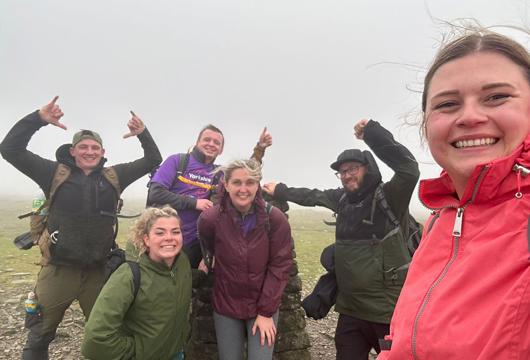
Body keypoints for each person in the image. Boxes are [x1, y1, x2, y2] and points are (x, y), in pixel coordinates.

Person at [377, 29, 530, 360]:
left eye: (497, 97)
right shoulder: (441, 219)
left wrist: (372, 134)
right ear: (428, 124)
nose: (470, 116)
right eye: (448, 104)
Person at [0, 96, 162, 360]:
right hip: (57, 270)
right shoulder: (53, 173)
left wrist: (142, 134)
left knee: (105, 334)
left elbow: (153, 158)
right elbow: (10, 149)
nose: (89, 151)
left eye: (95, 147)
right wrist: (37, 119)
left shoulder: (114, 176)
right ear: (72, 151)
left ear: (102, 152)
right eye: (83, 147)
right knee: (40, 333)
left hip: (98, 272)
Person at [263, 119, 419, 360]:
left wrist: (374, 135)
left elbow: (408, 169)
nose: (346, 176)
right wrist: (281, 191)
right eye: (342, 172)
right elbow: (313, 196)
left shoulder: (389, 197)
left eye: (353, 169)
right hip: (350, 312)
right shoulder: (343, 199)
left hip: (388, 313)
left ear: (368, 168)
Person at [198, 159, 293, 360]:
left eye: (250, 182)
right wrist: (210, 258)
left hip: (262, 304)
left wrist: (266, 312)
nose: (243, 189)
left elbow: (280, 265)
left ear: (258, 185)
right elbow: (208, 245)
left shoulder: (275, 219)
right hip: (226, 304)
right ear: (226, 184)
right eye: (237, 182)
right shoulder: (211, 219)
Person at [147, 125, 272, 268]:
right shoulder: (177, 161)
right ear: (197, 142)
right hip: (163, 240)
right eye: (207, 140)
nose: (211, 144)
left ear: (221, 149)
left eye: (216, 143)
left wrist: (260, 149)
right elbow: (155, 193)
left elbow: (246, 172)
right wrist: (194, 203)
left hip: (193, 247)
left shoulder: (218, 173)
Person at [82, 206, 192, 360]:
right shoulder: (129, 275)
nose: (169, 237)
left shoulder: (182, 263)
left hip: (175, 354)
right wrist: (137, 351)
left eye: (175, 231)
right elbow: (96, 338)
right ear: (146, 239)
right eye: (160, 232)